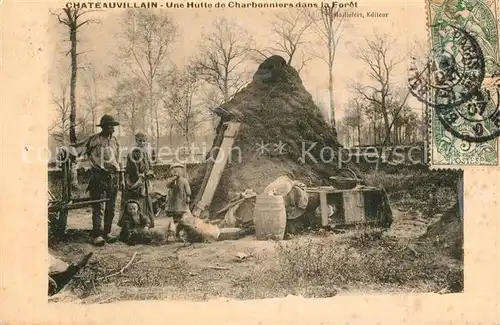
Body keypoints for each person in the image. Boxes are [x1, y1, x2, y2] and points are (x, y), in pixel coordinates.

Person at [70, 114, 125, 246]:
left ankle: (107, 233)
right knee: (98, 206)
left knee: (111, 207)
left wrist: (121, 178)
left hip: (114, 177)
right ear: (104, 127)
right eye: (110, 126)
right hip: (98, 176)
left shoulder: (115, 141)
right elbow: (75, 148)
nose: (112, 128)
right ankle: (97, 235)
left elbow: (120, 160)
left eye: (113, 126)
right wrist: (72, 156)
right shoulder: (93, 139)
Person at [120, 132, 155, 228]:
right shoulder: (134, 153)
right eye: (140, 141)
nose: (142, 143)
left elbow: (149, 165)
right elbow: (132, 168)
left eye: (144, 141)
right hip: (135, 181)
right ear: (136, 141)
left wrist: (149, 172)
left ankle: (146, 223)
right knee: (137, 202)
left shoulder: (145, 152)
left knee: (145, 202)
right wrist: (139, 176)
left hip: (144, 180)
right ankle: (135, 224)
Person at [165, 162, 192, 241]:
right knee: (175, 217)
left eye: (178, 171)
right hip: (174, 201)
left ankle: (182, 231)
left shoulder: (184, 181)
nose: (176, 173)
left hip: (181, 201)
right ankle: (176, 232)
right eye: (174, 171)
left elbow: (188, 190)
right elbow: (168, 186)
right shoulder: (171, 181)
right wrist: (172, 180)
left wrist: (188, 196)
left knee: (183, 216)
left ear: (182, 172)